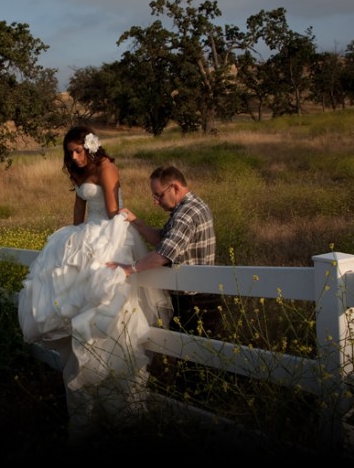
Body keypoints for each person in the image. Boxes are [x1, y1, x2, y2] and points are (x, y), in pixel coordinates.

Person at [17, 126, 171, 434]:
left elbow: (113, 210)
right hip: (89, 231)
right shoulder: (78, 172)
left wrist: (95, 236)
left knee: (109, 297)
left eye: (78, 151)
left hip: (111, 230)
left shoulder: (106, 167)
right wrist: (74, 239)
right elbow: (78, 210)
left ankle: (119, 391)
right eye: (70, 153)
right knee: (67, 283)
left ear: (90, 146)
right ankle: (83, 368)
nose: (74, 157)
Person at [108, 164, 221, 335]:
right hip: (195, 293)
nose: (156, 201)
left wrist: (128, 269)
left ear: (174, 188)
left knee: (194, 353)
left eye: (159, 195)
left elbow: (162, 255)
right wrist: (135, 221)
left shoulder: (186, 214)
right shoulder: (188, 207)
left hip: (196, 298)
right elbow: (161, 240)